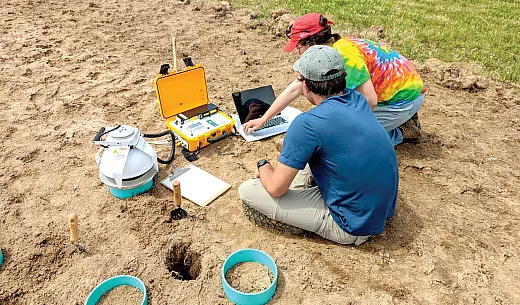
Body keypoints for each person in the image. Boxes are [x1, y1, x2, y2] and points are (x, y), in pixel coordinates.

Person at [238, 45, 399, 245]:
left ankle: (297, 220)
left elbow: (275, 188)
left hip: (352, 225)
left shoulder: (307, 124)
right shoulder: (357, 99)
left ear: (305, 86)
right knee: (311, 155)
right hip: (379, 207)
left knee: (248, 189)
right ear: (342, 77)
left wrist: (263, 166)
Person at [243, 12, 425, 146]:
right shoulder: (328, 52)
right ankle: (396, 120)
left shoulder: (345, 57)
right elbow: (294, 88)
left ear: (311, 43)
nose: (297, 52)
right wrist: (264, 119)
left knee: (346, 139)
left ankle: (402, 131)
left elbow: (369, 100)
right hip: (399, 89)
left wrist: (338, 126)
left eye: (298, 46)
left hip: (402, 98)